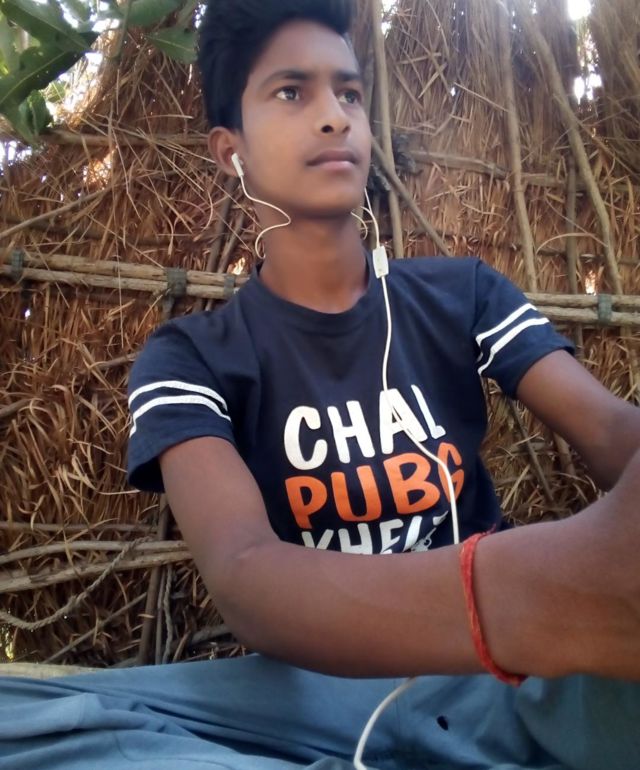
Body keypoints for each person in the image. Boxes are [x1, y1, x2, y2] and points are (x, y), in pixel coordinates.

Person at [1, 1, 639, 768]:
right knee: (20, 717)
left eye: (350, 93)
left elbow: (611, 431)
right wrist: (531, 599)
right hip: (311, 697)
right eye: (291, 92)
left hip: (509, 681)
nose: (335, 116)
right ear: (230, 150)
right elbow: (246, 576)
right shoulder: (190, 359)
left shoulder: (462, 295)